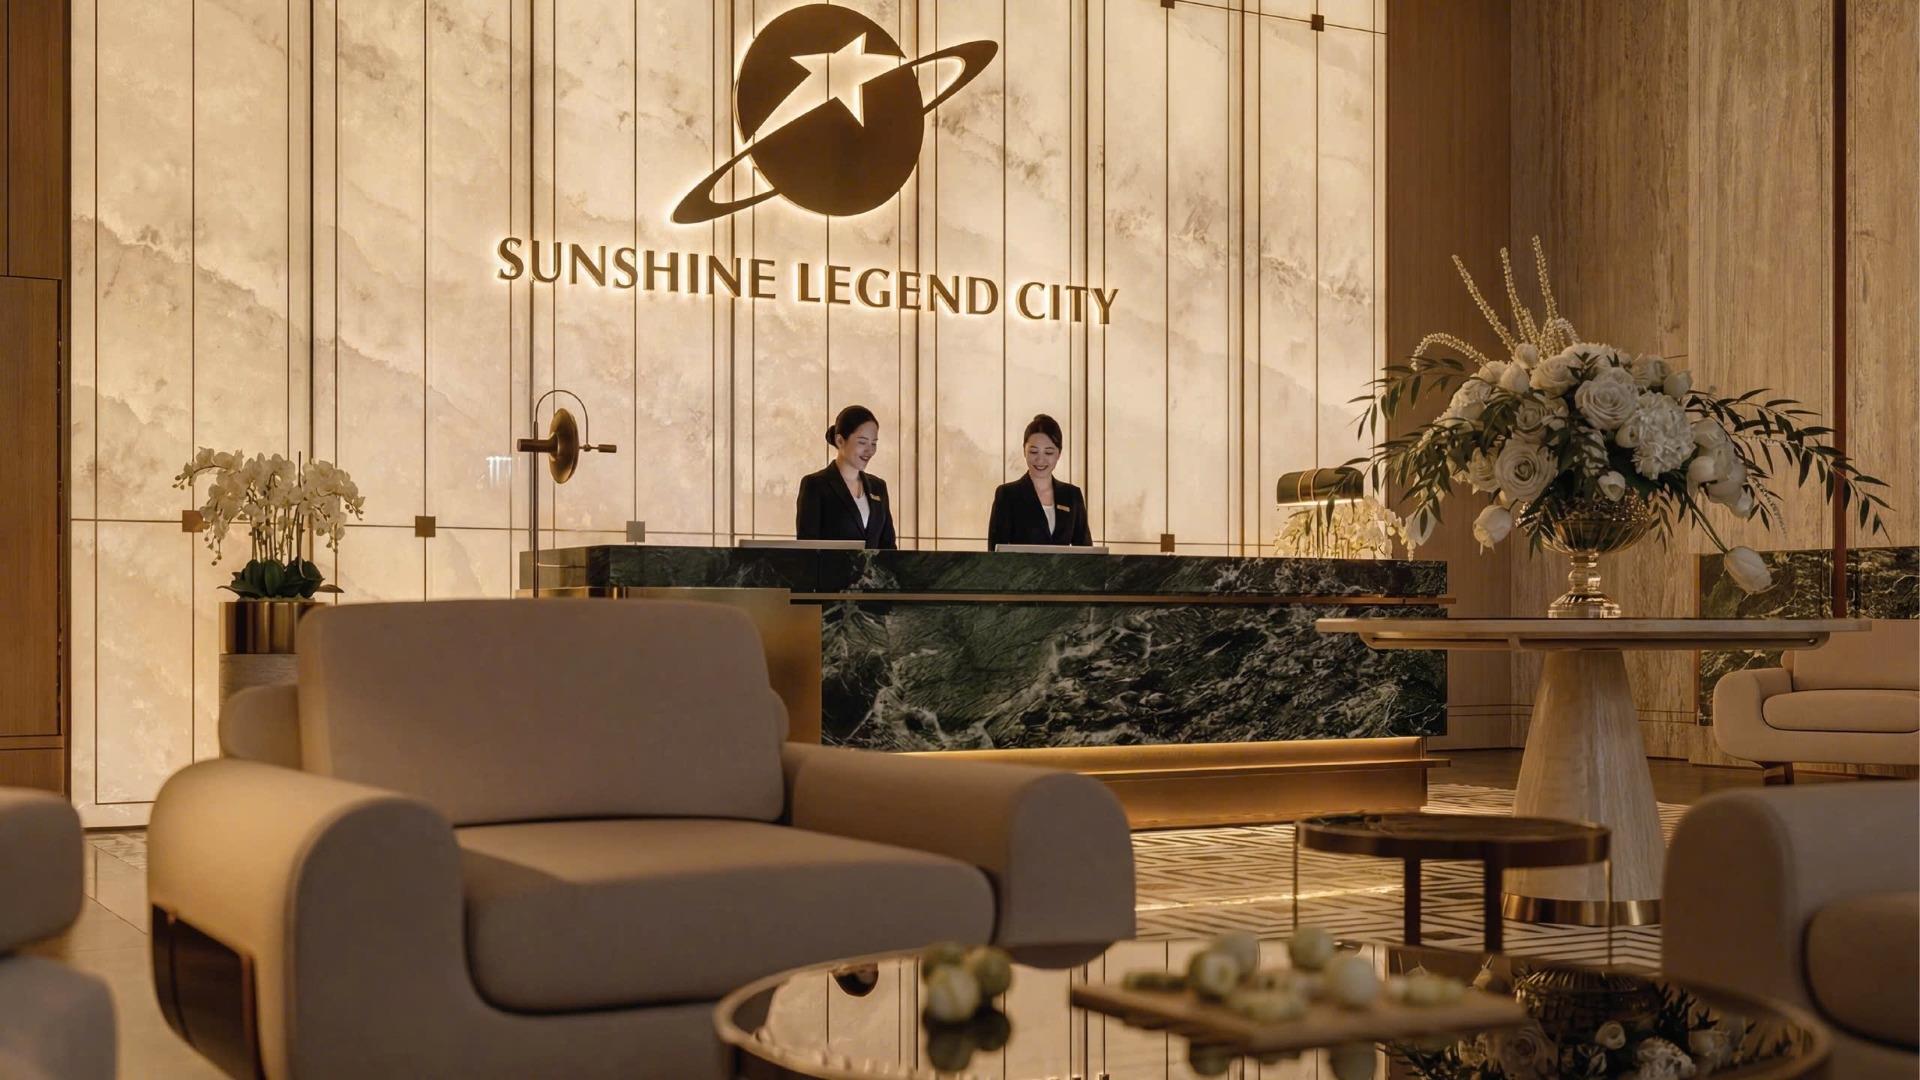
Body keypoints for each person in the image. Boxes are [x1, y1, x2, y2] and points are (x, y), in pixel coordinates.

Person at [795, 404, 897, 549]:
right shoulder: (815, 485)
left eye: (874, 443)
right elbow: (807, 550)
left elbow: (889, 547)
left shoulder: (878, 486)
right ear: (840, 441)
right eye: (862, 442)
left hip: (875, 566)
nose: (869, 450)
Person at [987, 413, 1093, 549]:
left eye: (1048, 453)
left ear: (1059, 454)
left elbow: (1087, 553)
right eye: (1033, 452)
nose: (1040, 460)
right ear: (1024, 451)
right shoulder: (1007, 495)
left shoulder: (1072, 496)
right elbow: (995, 553)